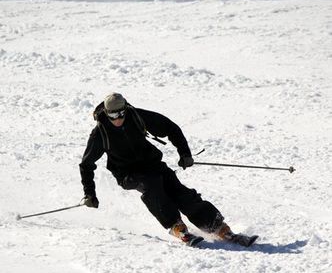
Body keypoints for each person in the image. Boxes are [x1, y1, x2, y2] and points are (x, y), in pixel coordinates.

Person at [80, 93, 256, 247]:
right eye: (112, 115)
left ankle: (218, 227)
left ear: (126, 108)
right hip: (128, 173)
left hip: (152, 164)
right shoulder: (100, 133)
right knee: (151, 185)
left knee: (179, 192)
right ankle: (176, 226)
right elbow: (86, 165)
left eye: (121, 113)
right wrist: (90, 194)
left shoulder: (137, 116)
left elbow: (170, 127)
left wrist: (185, 153)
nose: (117, 119)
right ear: (106, 113)